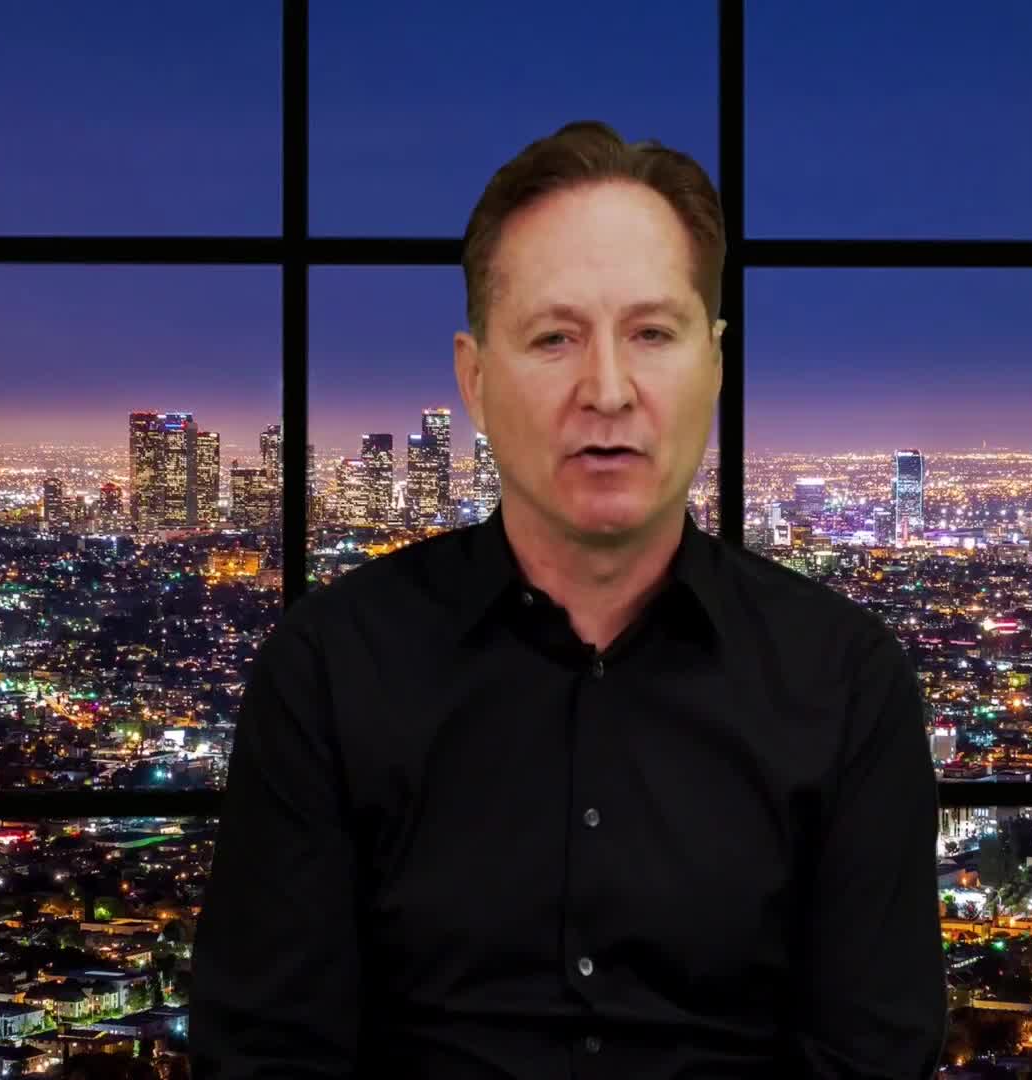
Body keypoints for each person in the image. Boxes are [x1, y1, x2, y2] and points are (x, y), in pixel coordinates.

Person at [190, 120, 946, 1078]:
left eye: (652, 334)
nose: (608, 389)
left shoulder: (846, 685)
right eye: (555, 337)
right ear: (473, 376)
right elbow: (265, 1055)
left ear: (714, 364)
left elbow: (874, 1056)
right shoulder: (331, 670)